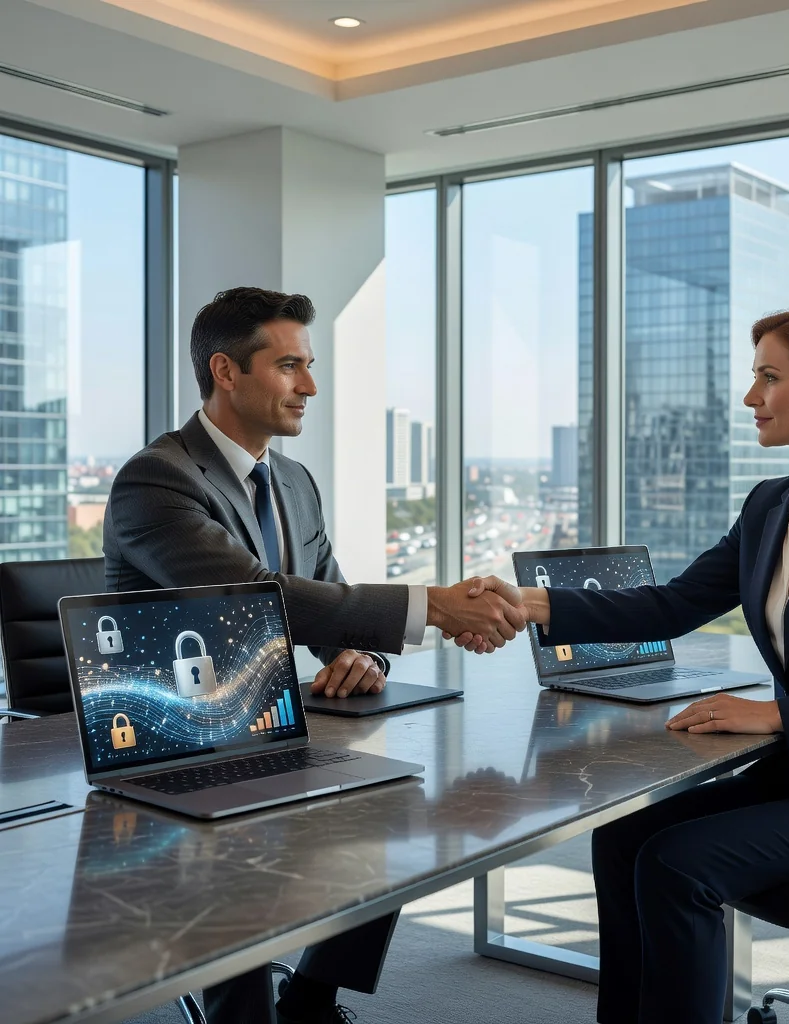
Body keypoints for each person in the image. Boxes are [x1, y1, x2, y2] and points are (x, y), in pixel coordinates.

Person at [459, 302, 789, 1024]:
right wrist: (532, 605)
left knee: (679, 864)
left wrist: (774, 715)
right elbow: (668, 607)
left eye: (769, 376)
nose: (749, 397)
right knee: (622, 835)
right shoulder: (769, 507)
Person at [103, 286, 526, 1024]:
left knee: (389, 793)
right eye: (290, 366)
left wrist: (367, 659)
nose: (311, 386)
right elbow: (255, 597)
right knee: (242, 837)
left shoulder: (292, 481)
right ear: (226, 371)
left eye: (311, 365)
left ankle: (311, 996)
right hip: (166, 737)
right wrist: (432, 606)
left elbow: (331, 605)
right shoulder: (157, 478)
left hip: (262, 722)